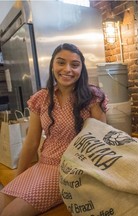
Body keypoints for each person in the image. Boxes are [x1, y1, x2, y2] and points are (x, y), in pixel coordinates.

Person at [0, 43, 108, 215]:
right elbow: (32, 142)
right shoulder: (41, 98)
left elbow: (102, 140)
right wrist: (19, 177)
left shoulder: (92, 96)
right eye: (61, 62)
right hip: (43, 165)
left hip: (70, 170)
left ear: (82, 69)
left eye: (75, 64)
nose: (67, 69)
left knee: (10, 213)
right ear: (52, 65)